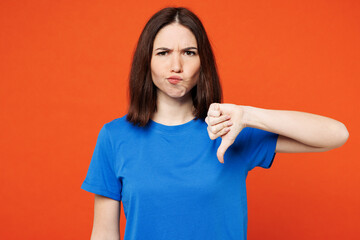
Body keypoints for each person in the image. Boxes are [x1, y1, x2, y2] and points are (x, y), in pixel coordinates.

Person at [81, 7, 349, 240]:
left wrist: (248, 116)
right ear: (146, 62)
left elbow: (336, 134)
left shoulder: (230, 130)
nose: (176, 65)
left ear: (203, 62)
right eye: (163, 53)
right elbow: (104, 234)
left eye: (189, 52)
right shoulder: (114, 137)